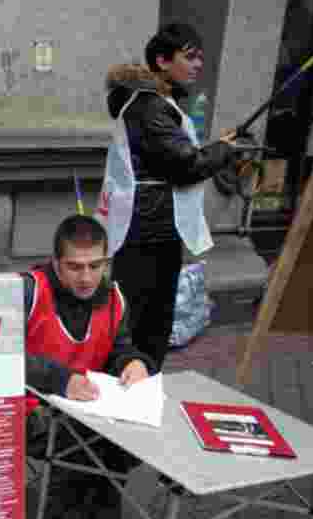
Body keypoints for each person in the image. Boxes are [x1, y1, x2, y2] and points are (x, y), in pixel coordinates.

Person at [24, 215, 155, 519]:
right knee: (77, 439)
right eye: (75, 267)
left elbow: (119, 349)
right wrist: (59, 379)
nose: (86, 277)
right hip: (25, 408)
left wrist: (133, 362)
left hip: (86, 404)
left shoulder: (114, 299)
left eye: (95, 266)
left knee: (119, 439)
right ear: (55, 262)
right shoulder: (28, 291)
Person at [100, 22, 237, 368]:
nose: (198, 65)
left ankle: (140, 380)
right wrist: (223, 150)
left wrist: (217, 149)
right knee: (144, 324)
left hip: (150, 225)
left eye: (200, 57)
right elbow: (186, 165)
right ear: (162, 61)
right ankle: (134, 384)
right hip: (149, 228)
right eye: (189, 57)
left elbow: (175, 160)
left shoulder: (157, 104)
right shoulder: (150, 106)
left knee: (145, 321)